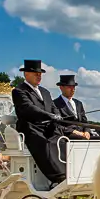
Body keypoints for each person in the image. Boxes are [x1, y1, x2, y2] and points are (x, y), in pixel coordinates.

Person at [11, 59, 67, 187]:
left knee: (61, 138)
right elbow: (29, 108)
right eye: (35, 73)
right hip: (31, 126)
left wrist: (57, 115)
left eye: (40, 74)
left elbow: (53, 107)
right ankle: (56, 176)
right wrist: (50, 115)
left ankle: (67, 170)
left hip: (47, 126)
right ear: (26, 74)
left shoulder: (45, 92)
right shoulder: (19, 91)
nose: (39, 76)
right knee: (44, 141)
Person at [53, 74, 97, 140]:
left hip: (83, 134)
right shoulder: (54, 104)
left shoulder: (78, 103)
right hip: (67, 135)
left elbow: (85, 122)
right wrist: (74, 132)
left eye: (74, 87)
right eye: (69, 87)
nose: (72, 89)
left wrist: (87, 131)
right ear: (61, 87)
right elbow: (57, 125)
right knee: (82, 140)